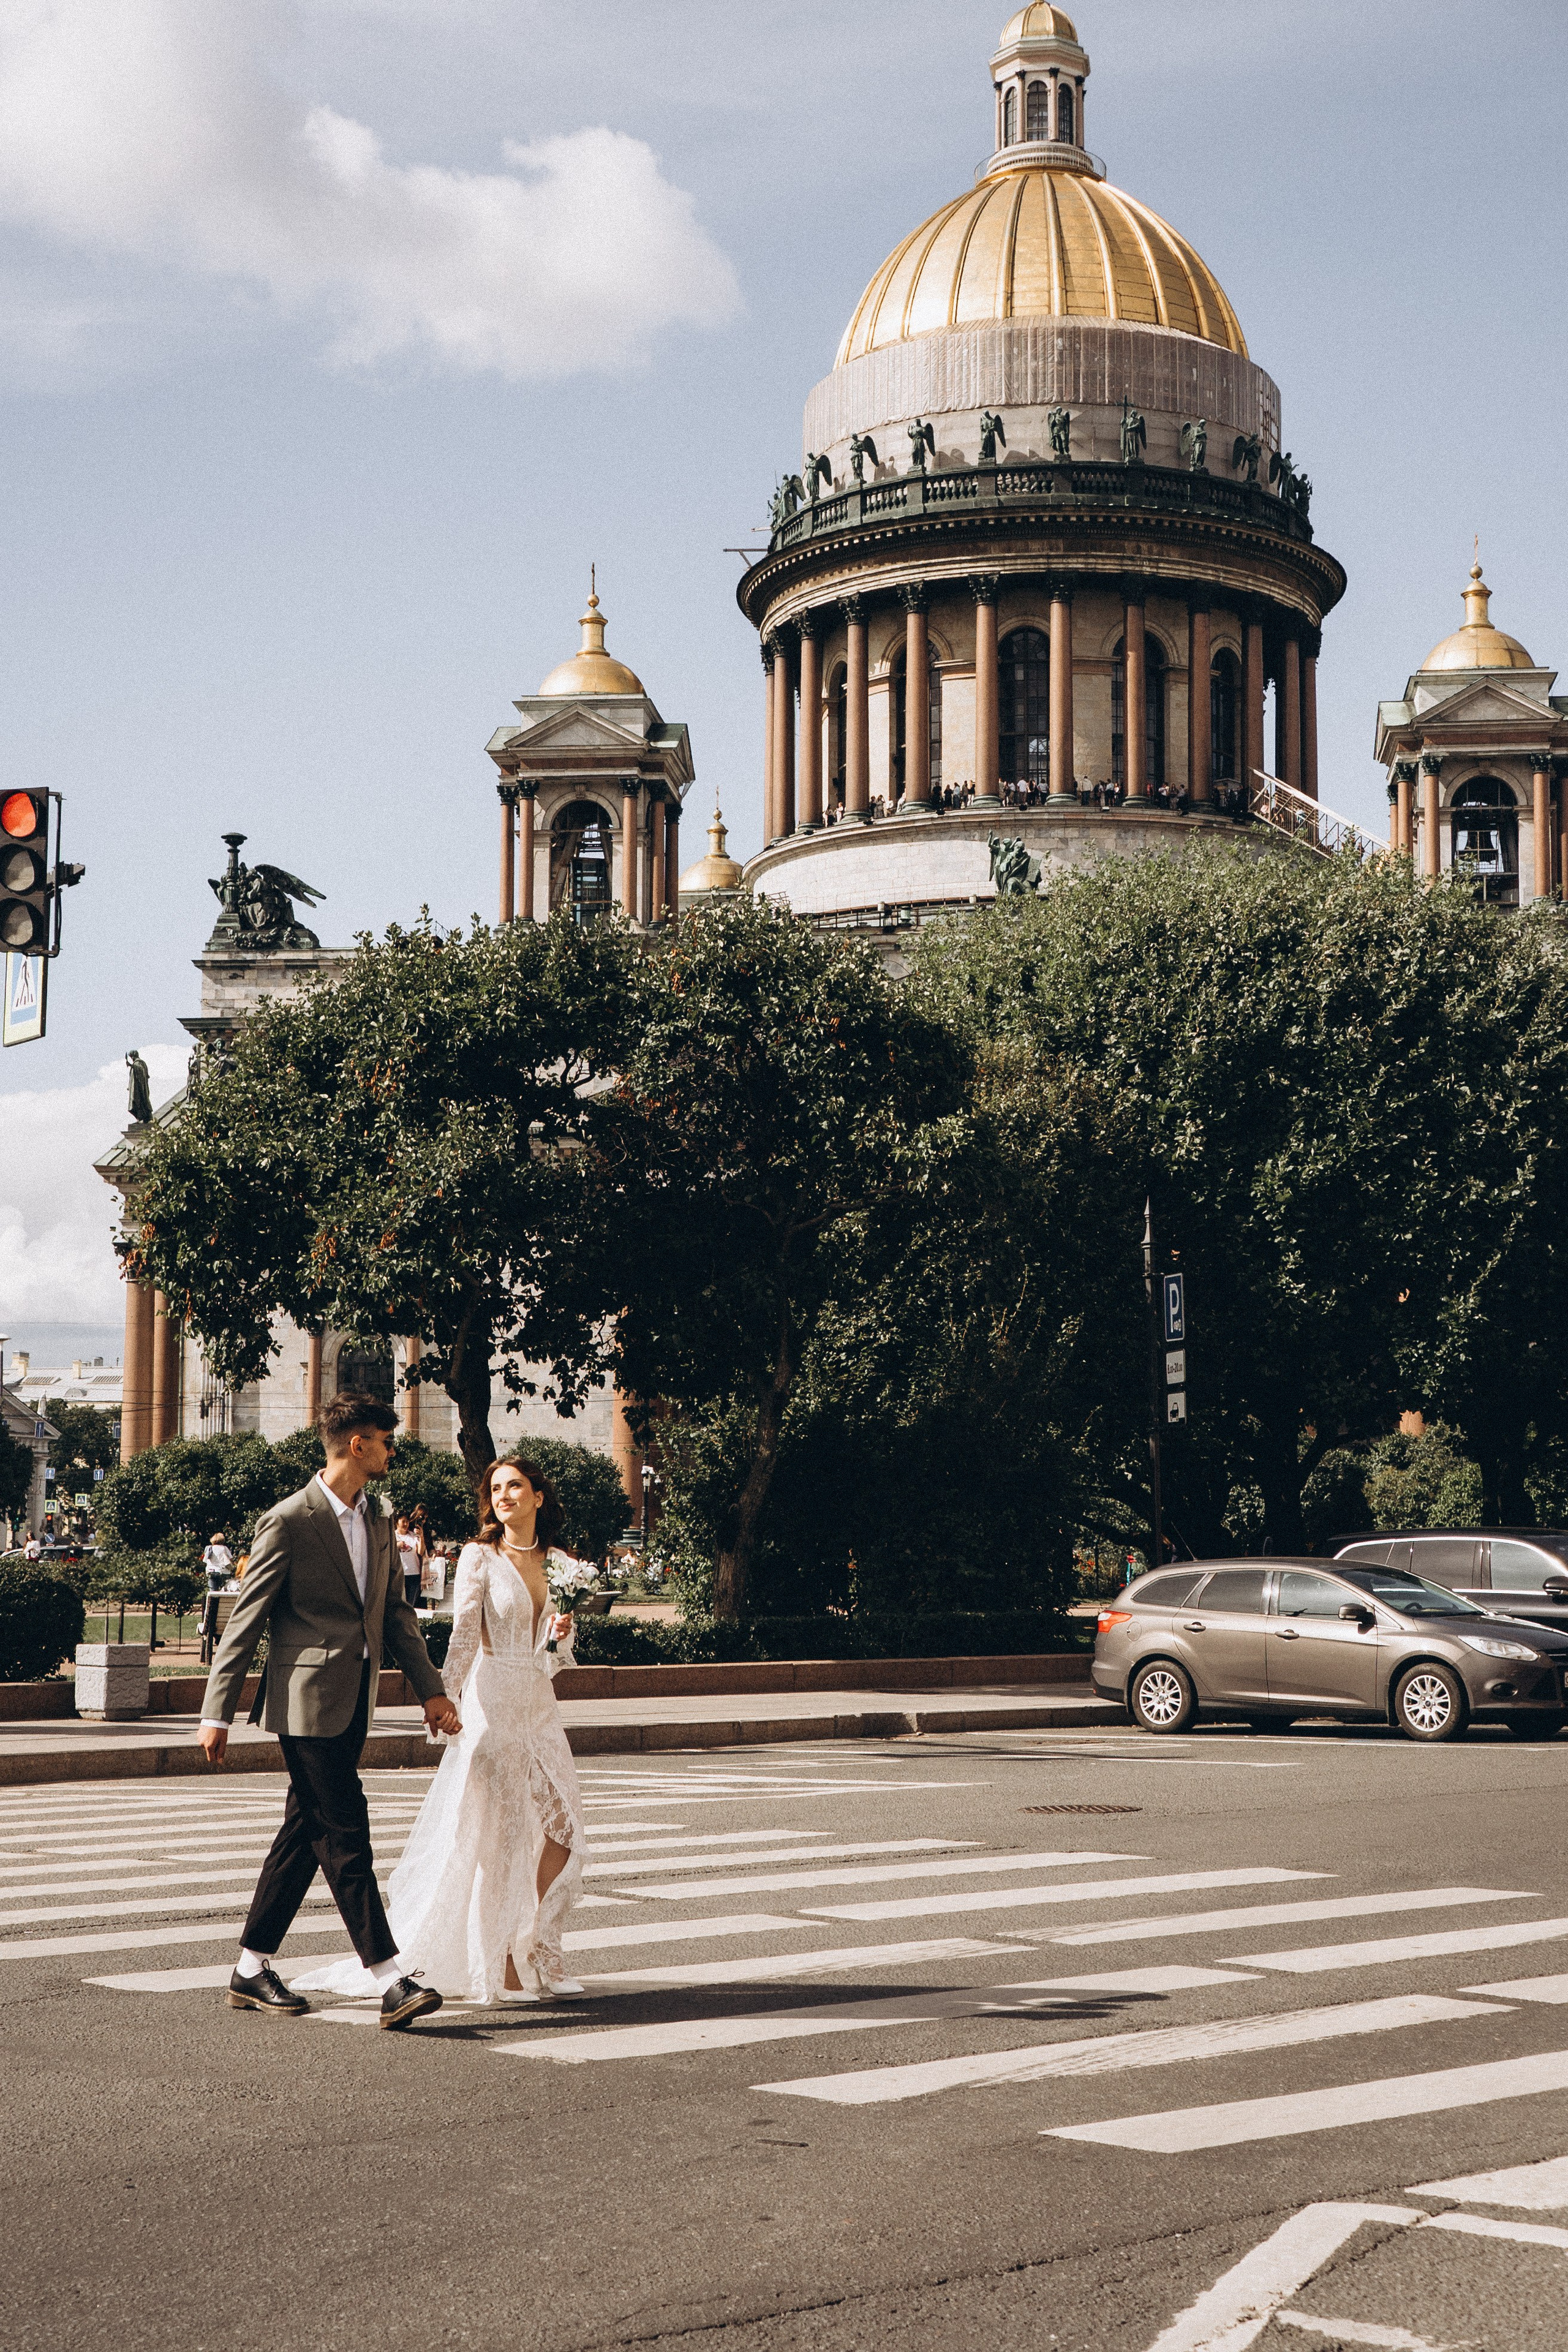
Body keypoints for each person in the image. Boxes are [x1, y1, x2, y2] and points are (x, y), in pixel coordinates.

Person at [197, 1392, 460, 2029]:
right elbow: (246, 1621)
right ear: (356, 1444)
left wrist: (430, 1688)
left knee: (304, 1833)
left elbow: (394, 1614)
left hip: (355, 1697)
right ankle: (389, 1978)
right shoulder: (290, 1519)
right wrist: (217, 1710)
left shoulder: (377, 1515)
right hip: (304, 1702)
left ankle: (251, 1969)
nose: (393, 1450)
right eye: (385, 1439)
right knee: (346, 1829)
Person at [293, 1456, 587, 2008]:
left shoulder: (561, 1563)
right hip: (490, 1704)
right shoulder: (480, 1555)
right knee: (500, 1838)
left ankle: (540, 1943)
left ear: (538, 1497)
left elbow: (556, 1659)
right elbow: (463, 1637)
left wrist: (560, 1635)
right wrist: (443, 1701)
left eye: (515, 1487)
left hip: (539, 1706)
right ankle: (501, 1961)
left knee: (564, 1830)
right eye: (496, 1488)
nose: (504, 1496)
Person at [199, 1534, 233, 1664]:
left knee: (213, 1594)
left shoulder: (209, 1548)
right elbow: (230, 1560)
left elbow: (205, 1560)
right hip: (224, 1573)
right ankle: (219, 1636)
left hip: (212, 1572)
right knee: (224, 1592)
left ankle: (211, 1614)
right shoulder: (225, 1549)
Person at [394, 1515, 422, 1609]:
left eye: (408, 1522)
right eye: (403, 1521)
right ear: (397, 1522)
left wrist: (421, 1536)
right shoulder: (392, 1536)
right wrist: (397, 1545)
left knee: (410, 1606)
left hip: (414, 1574)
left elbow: (421, 1552)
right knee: (399, 1605)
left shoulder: (413, 1536)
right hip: (399, 1574)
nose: (406, 1524)